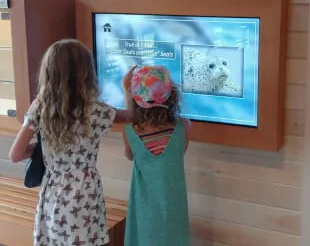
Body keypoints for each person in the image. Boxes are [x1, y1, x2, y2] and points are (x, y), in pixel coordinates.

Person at [9, 39, 134, 246]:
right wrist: (126, 89)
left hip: (52, 194)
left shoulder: (40, 107)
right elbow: (131, 116)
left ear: (48, 74)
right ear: (87, 74)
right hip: (84, 195)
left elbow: (15, 154)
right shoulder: (96, 111)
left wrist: (45, 150)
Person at [122, 65, 191, 246]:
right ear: (171, 96)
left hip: (144, 210)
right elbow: (179, 152)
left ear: (136, 99)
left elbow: (130, 156)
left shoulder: (130, 132)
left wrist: (126, 92)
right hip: (173, 208)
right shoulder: (184, 126)